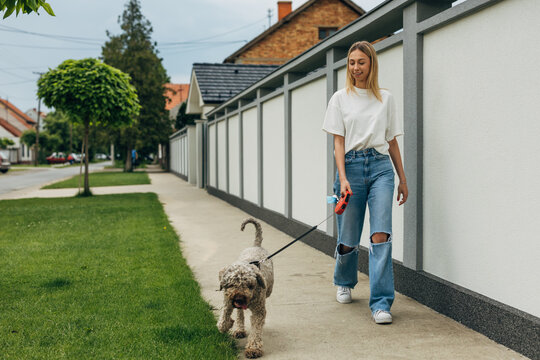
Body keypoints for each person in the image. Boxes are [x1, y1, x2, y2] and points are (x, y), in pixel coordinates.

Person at [322, 41, 408, 324]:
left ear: (371, 64)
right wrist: (343, 178)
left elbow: (392, 140)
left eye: (361, 62)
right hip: (351, 168)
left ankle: (381, 303)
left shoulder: (386, 98)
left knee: (380, 234)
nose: (355, 67)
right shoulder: (340, 98)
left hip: (382, 168)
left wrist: (402, 179)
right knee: (348, 237)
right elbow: (338, 142)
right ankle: (344, 280)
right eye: (351, 62)